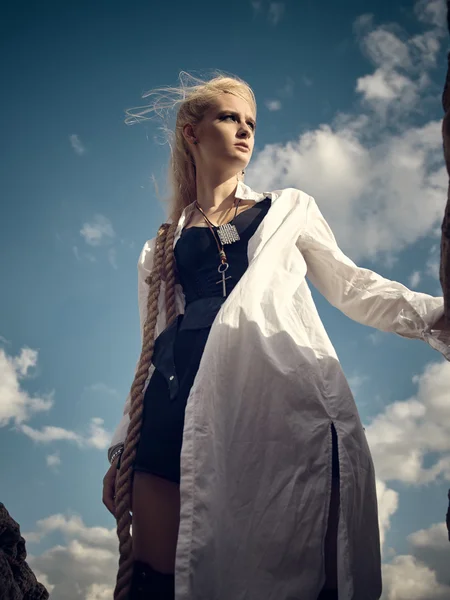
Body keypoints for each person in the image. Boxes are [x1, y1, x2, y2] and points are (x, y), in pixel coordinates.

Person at [102, 71, 450, 600]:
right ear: (192, 133)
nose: (244, 132)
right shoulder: (160, 245)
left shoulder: (288, 208)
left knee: (279, 557)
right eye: (228, 118)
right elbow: (147, 348)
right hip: (172, 398)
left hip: (268, 394)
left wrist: (436, 315)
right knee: (156, 573)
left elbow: (353, 286)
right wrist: (119, 449)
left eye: (251, 123)